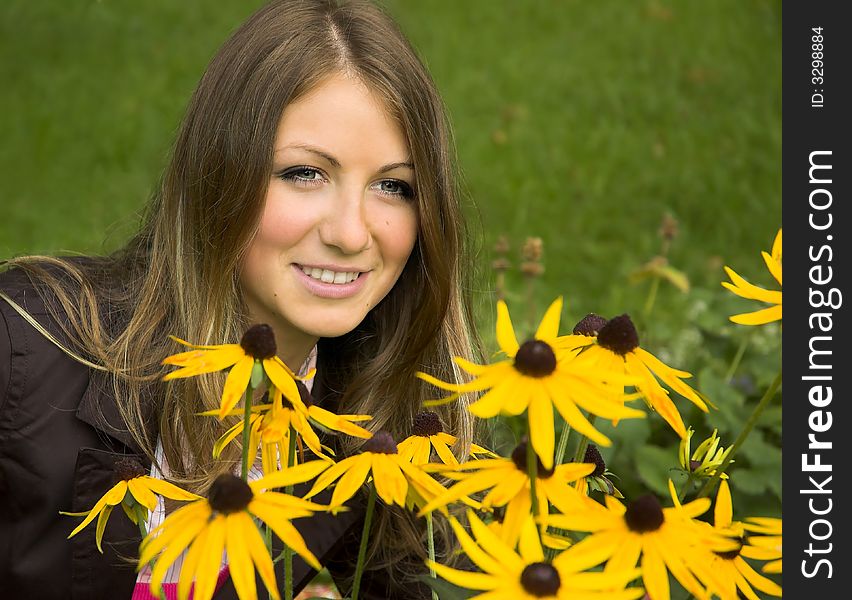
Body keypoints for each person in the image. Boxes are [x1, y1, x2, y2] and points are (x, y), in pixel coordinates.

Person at [0, 0, 482, 597]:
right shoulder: (22, 350)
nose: (353, 233)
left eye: (393, 186)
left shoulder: (374, 429)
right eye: (305, 173)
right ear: (218, 174)